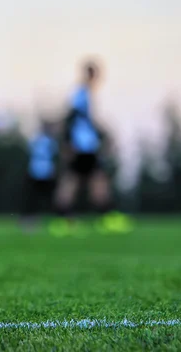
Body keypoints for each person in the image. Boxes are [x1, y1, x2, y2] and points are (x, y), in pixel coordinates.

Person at [51, 61, 132, 236]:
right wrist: (68, 142)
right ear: (91, 74)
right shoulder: (81, 93)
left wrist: (100, 131)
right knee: (90, 181)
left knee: (81, 181)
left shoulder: (85, 93)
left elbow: (84, 119)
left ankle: (65, 219)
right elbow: (71, 117)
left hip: (86, 144)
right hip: (82, 146)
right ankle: (104, 218)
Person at [19, 120, 58, 232]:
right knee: (37, 196)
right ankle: (32, 218)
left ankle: (30, 218)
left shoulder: (36, 139)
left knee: (34, 197)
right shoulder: (49, 141)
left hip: (37, 170)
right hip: (42, 170)